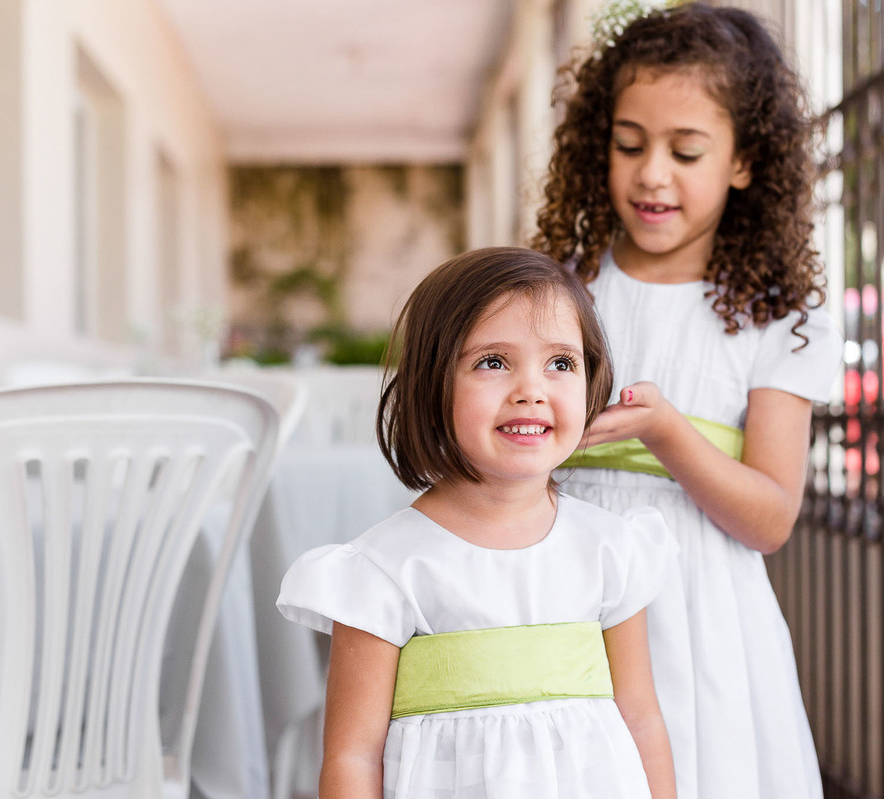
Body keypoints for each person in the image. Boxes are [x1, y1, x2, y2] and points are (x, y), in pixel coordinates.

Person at [531, 3, 843, 798]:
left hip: (703, 614)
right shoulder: (561, 286)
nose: (651, 173)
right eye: (628, 144)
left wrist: (668, 433)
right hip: (563, 586)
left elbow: (770, 517)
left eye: (686, 149)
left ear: (744, 161)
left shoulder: (783, 316)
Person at [277, 247, 678, 798]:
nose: (531, 390)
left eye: (561, 363)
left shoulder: (610, 549)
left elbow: (642, 720)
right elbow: (352, 754)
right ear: (433, 384)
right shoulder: (384, 571)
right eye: (493, 361)